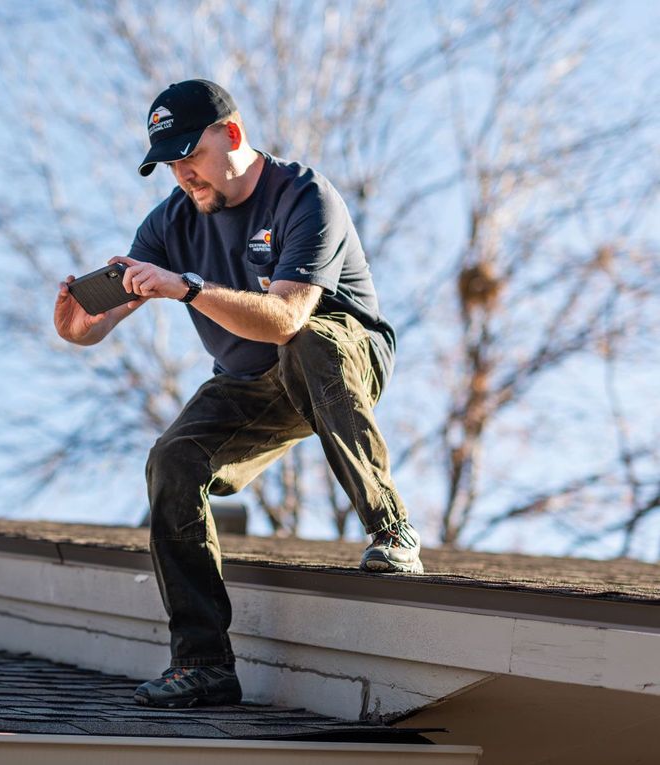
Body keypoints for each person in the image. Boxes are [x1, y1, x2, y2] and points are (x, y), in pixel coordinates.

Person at [52, 80, 422, 709]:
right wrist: (76, 324)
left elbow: (284, 320)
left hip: (345, 358)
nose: (182, 175)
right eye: (169, 164)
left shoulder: (304, 196)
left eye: (189, 156)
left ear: (231, 134)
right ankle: (203, 665)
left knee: (310, 343)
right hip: (248, 383)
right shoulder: (169, 221)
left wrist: (187, 287)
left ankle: (393, 532)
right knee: (173, 460)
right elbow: (97, 326)